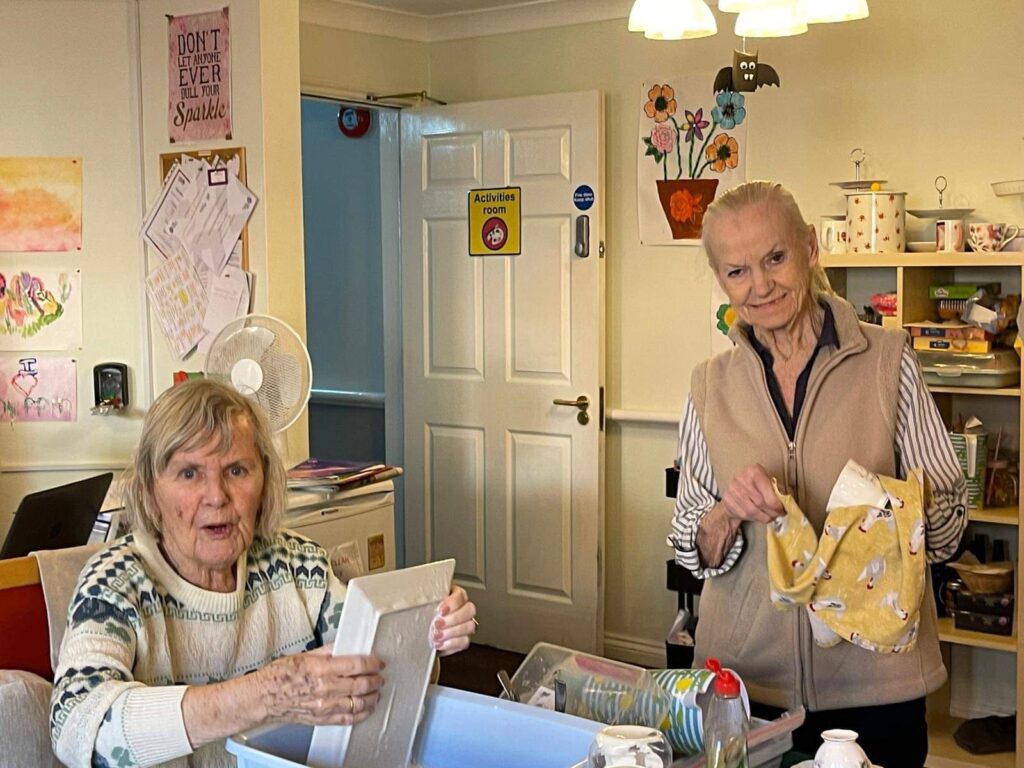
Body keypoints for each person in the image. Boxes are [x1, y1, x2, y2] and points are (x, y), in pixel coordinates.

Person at [669, 181, 968, 768]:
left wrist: (886, 513)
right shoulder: (709, 385)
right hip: (743, 689)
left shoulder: (890, 361)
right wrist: (728, 511)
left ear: (809, 248)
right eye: (737, 271)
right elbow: (689, 549)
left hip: (876, 688)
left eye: (775, 258)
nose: (760, 286)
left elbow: (949, 526)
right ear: (720, 279)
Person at [50, 380, 477, 767]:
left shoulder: (299, 565)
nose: (217, 496)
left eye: (236, 470)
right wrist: (266, 694)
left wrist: (425, 632)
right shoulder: (115, 586)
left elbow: (376, 671)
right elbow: (76, 730)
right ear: (148, 489)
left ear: (266, 480)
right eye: (189, 473)